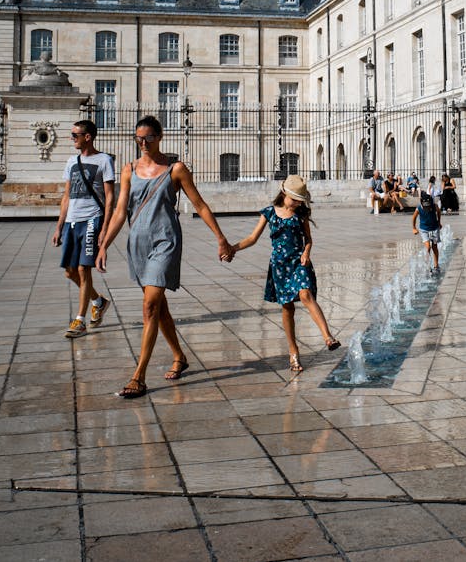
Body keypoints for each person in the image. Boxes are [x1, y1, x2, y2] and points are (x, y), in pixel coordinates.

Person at [96, 115, 233, 399]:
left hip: (165, 241)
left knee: (149, 307)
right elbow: (121, 211)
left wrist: (221, 238)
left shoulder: (176, 169)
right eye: (138, 138)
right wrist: (104, 245)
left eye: (148, 137)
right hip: (138, 243)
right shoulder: (128, 170)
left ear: (160, 137)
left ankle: (139, 376)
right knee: (159, 308)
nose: (142, 143)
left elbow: (200, 204)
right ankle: (179, 356)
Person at [228, 175, 339, 373]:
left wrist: (306, 252)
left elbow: (309, 239)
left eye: (300, 200)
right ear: (284, 193)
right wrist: (233, 248)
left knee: (305, 294)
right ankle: (293, 352)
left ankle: (328, 337)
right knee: (287, 309)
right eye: (294, 199)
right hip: (279, 266)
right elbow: (253, 238)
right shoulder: (269, 213)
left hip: (299, 262)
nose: (297, 203)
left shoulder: (301, 215)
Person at [53, 120, 114, 339]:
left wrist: (105, 229)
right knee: (69, 271)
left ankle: (80, 321)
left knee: (82, 269)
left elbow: (109, 197)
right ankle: (98, 301)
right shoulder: (71, 162)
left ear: (87, 137)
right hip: (71, 221)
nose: (72, 138)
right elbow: (67, 195)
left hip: (91, 219)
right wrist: (59, 226)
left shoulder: (104, 160)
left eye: (75, 135)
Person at [413, 191, 442, 274]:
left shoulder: (434, 206)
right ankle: (427, 266)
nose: (427, 208)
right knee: (428, 247)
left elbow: (439, 212)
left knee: (434, 247)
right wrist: (414, 228)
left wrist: (439, 222)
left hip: (434, 228)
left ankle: (436, 266)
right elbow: (414, 217)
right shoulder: (419, 208)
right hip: (424, 229)